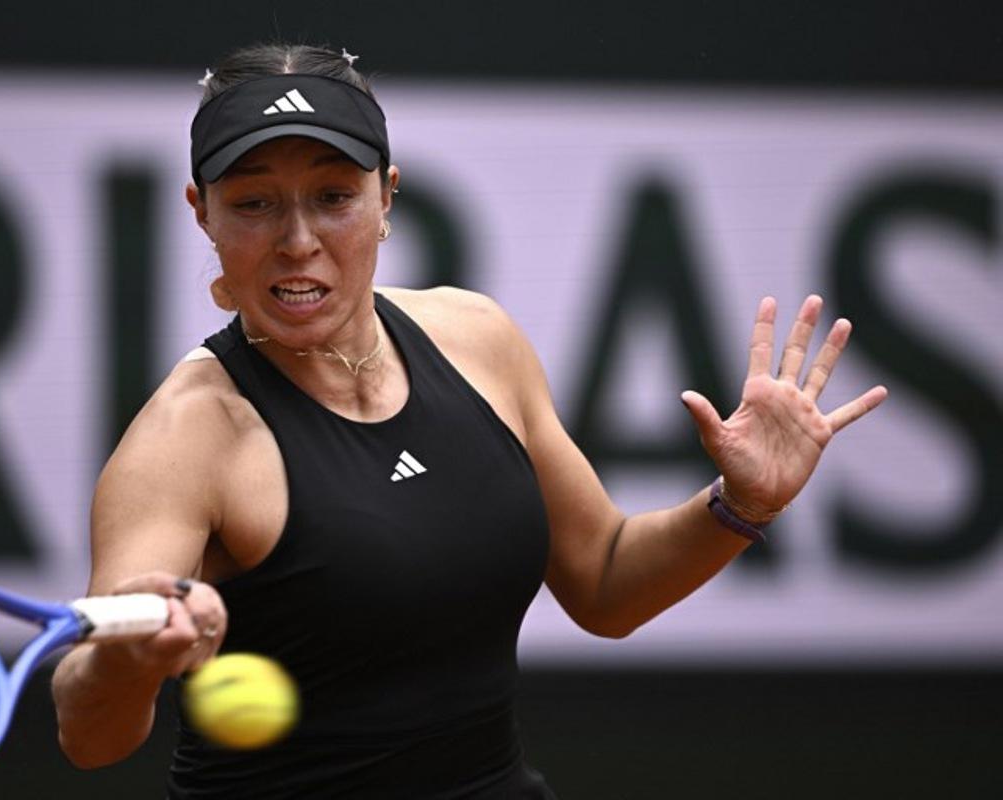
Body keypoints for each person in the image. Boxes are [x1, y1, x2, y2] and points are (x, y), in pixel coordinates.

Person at [50, 43, 888, 798]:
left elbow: (604, 583)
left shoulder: (476, 337)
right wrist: (129, 658)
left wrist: (743, 506)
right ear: (203, 211)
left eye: (333, 196)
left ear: (388, 197)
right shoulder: (184, 439)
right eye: (255, 204)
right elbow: (89, 734)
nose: (298, 239)